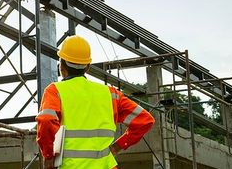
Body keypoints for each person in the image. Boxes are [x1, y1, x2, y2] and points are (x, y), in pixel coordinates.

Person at [36, 35, 155, 168]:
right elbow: (145, 120)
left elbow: (46, 120)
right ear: (87, 67)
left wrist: (49, 156)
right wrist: (118, 146)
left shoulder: (55, 91)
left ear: (61, 65)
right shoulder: (110, 94)